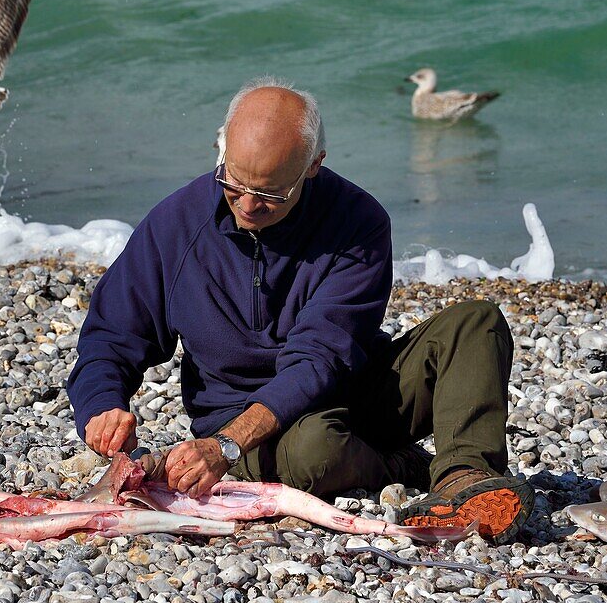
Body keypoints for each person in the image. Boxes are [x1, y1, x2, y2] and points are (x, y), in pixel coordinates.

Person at [65, 76, 534, 542]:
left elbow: (320, 356)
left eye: (271, 194)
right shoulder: (175, 225)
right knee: (315, 447)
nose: (248, 205)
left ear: (313, 166)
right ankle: (404, 465)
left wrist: (225, 447)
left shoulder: (359, 222)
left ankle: (465, 478)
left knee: (476, 322)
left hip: (352, 394)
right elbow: (111, 336)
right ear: (221, 151)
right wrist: (102, 408)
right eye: (234, 182)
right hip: (252, 428)